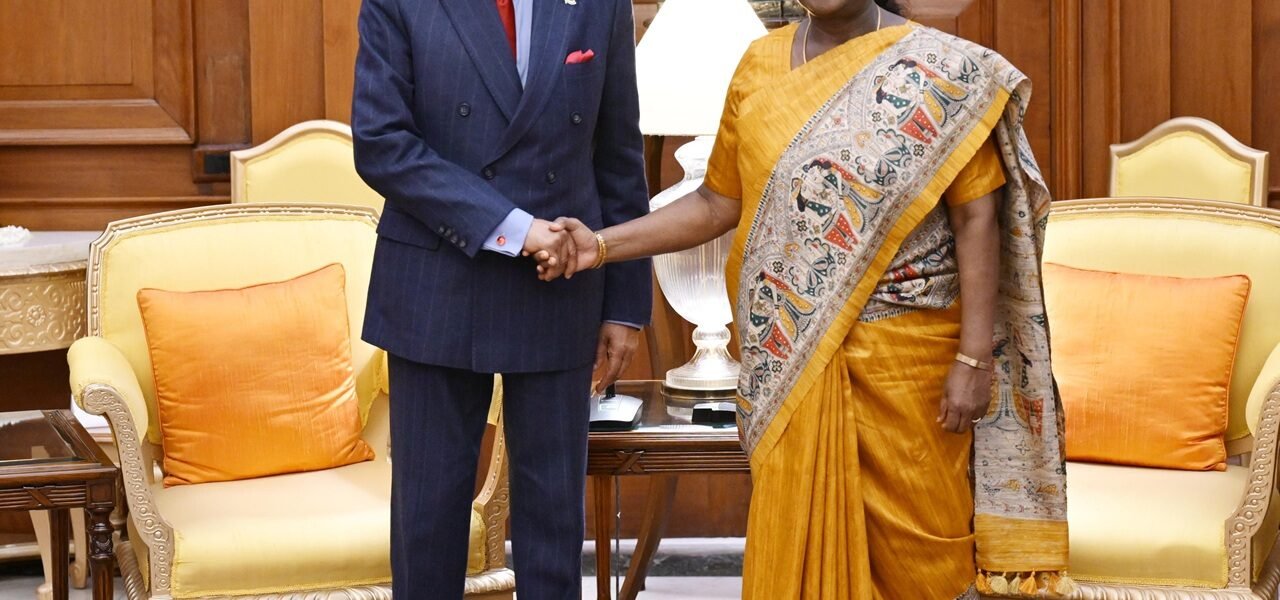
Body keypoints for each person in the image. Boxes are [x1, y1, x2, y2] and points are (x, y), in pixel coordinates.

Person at [545, 1, 1072, 597]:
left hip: (908, 366)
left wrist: (974, 359)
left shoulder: (942, 71)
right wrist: (600, 245)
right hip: (791, 364)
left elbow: (977, 217)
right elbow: (716, 204)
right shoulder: (760, 64)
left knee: (922, 562)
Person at [350, 0, 651, 597]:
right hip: (435, 284)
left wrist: (624, 303)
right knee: (428, 526)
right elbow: (382, 142)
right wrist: (514, 228)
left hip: (560, 284)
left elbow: (618, 152)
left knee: (554, 529)